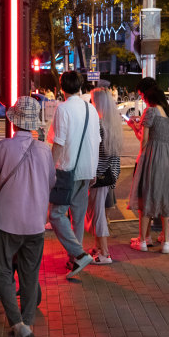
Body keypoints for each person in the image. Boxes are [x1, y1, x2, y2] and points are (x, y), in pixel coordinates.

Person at [0, 96, 55, 337]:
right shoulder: (44, 149)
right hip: (35, 223)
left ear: (14, 122)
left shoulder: (4, 147)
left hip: (7, 222)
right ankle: (27, 322)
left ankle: (18, 326)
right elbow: (51, 182)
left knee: (1, 270)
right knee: (30, 274)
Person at [47, 71, 100, 278]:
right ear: (80, 86)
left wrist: (50, 168)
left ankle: (78, 254)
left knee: (56, 214)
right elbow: (96, 140)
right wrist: (93, 169)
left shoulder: (63, 109)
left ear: (61, 88)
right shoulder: (91, 109)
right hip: (87, 169)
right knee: (77, 217)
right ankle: (74, 260)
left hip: (68, 170)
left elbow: (59, 142)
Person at [127, 85, 169, 254]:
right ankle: (166, 243)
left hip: (152, 156)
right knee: (166, 198)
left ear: (150, 100)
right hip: (168, 158)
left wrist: (135, 128)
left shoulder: (151, 112)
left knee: (147, 195)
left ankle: (142, 241)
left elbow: (145, 140)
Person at [86, 88, 122, 264]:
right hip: (108, 175)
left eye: (93, 100)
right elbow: (113, 156)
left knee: (98, 215)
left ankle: (105, 253)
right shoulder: (113, 124)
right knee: (99, 214)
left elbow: (96, 153)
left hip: (98, 176)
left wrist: (93, 174)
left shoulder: (99, 124)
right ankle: (98, 247)